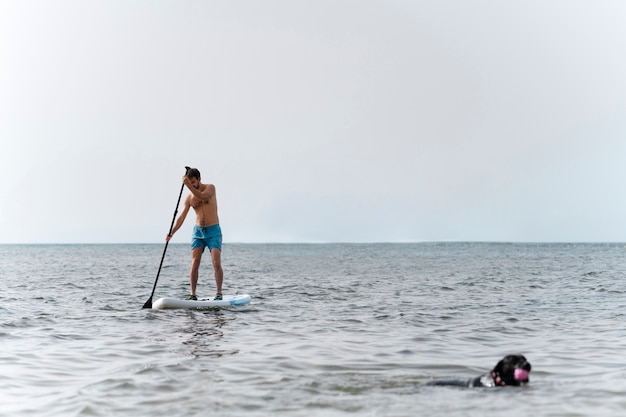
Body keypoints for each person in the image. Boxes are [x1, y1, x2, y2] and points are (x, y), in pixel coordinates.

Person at [166, 168, 223, 300]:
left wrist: (187, 184)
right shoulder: (189, 198)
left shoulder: (210, 188)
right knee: (195, 262)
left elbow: (202, 196)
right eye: (189, 183)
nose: (191, 185)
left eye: (193, 182)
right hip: (198, 232)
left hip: (213, 231)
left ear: (199, 179)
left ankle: (219, 293)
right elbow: (181, 217)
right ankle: (193, 294)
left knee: (216, 262)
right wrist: (171, 233)